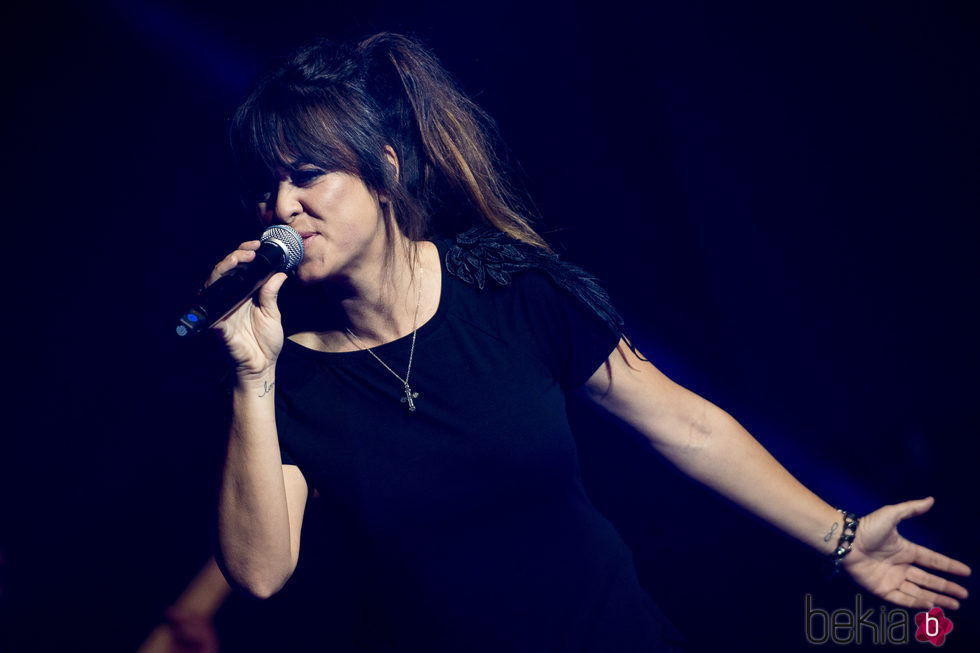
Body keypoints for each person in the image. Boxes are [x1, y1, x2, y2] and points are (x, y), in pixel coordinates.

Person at [205, 32, 969, 651]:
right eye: (266, 188)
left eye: (307, 175)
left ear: (384, 171)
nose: (283, 205)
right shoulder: (289, 371)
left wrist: (841, 539)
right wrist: (250, 373)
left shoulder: (512, 292)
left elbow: (688, 425)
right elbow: (261, 573)